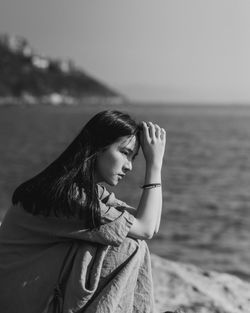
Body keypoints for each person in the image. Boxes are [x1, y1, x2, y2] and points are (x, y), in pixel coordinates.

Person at [0, 110, 166, 313]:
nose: (129, 166)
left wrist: (155, 163)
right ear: (97, 148)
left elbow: (150, 224)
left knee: (132, 241)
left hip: (28, 290)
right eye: (124, 152)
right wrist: (154, 165)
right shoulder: (69, 196)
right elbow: (146, 228)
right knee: (128, 247)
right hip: (16, 299)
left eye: (134, 157)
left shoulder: (87, 190)